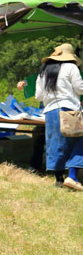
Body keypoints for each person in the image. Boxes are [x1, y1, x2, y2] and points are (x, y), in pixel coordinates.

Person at [35, 43, 83, 191]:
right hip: (69, 110)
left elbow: (38, 96)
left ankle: (59, 180)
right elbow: (80, 89)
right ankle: (73, 177)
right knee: (79, 140)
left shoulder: (43, 71)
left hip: (50, 112)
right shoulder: (71, 68)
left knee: (55, 144)